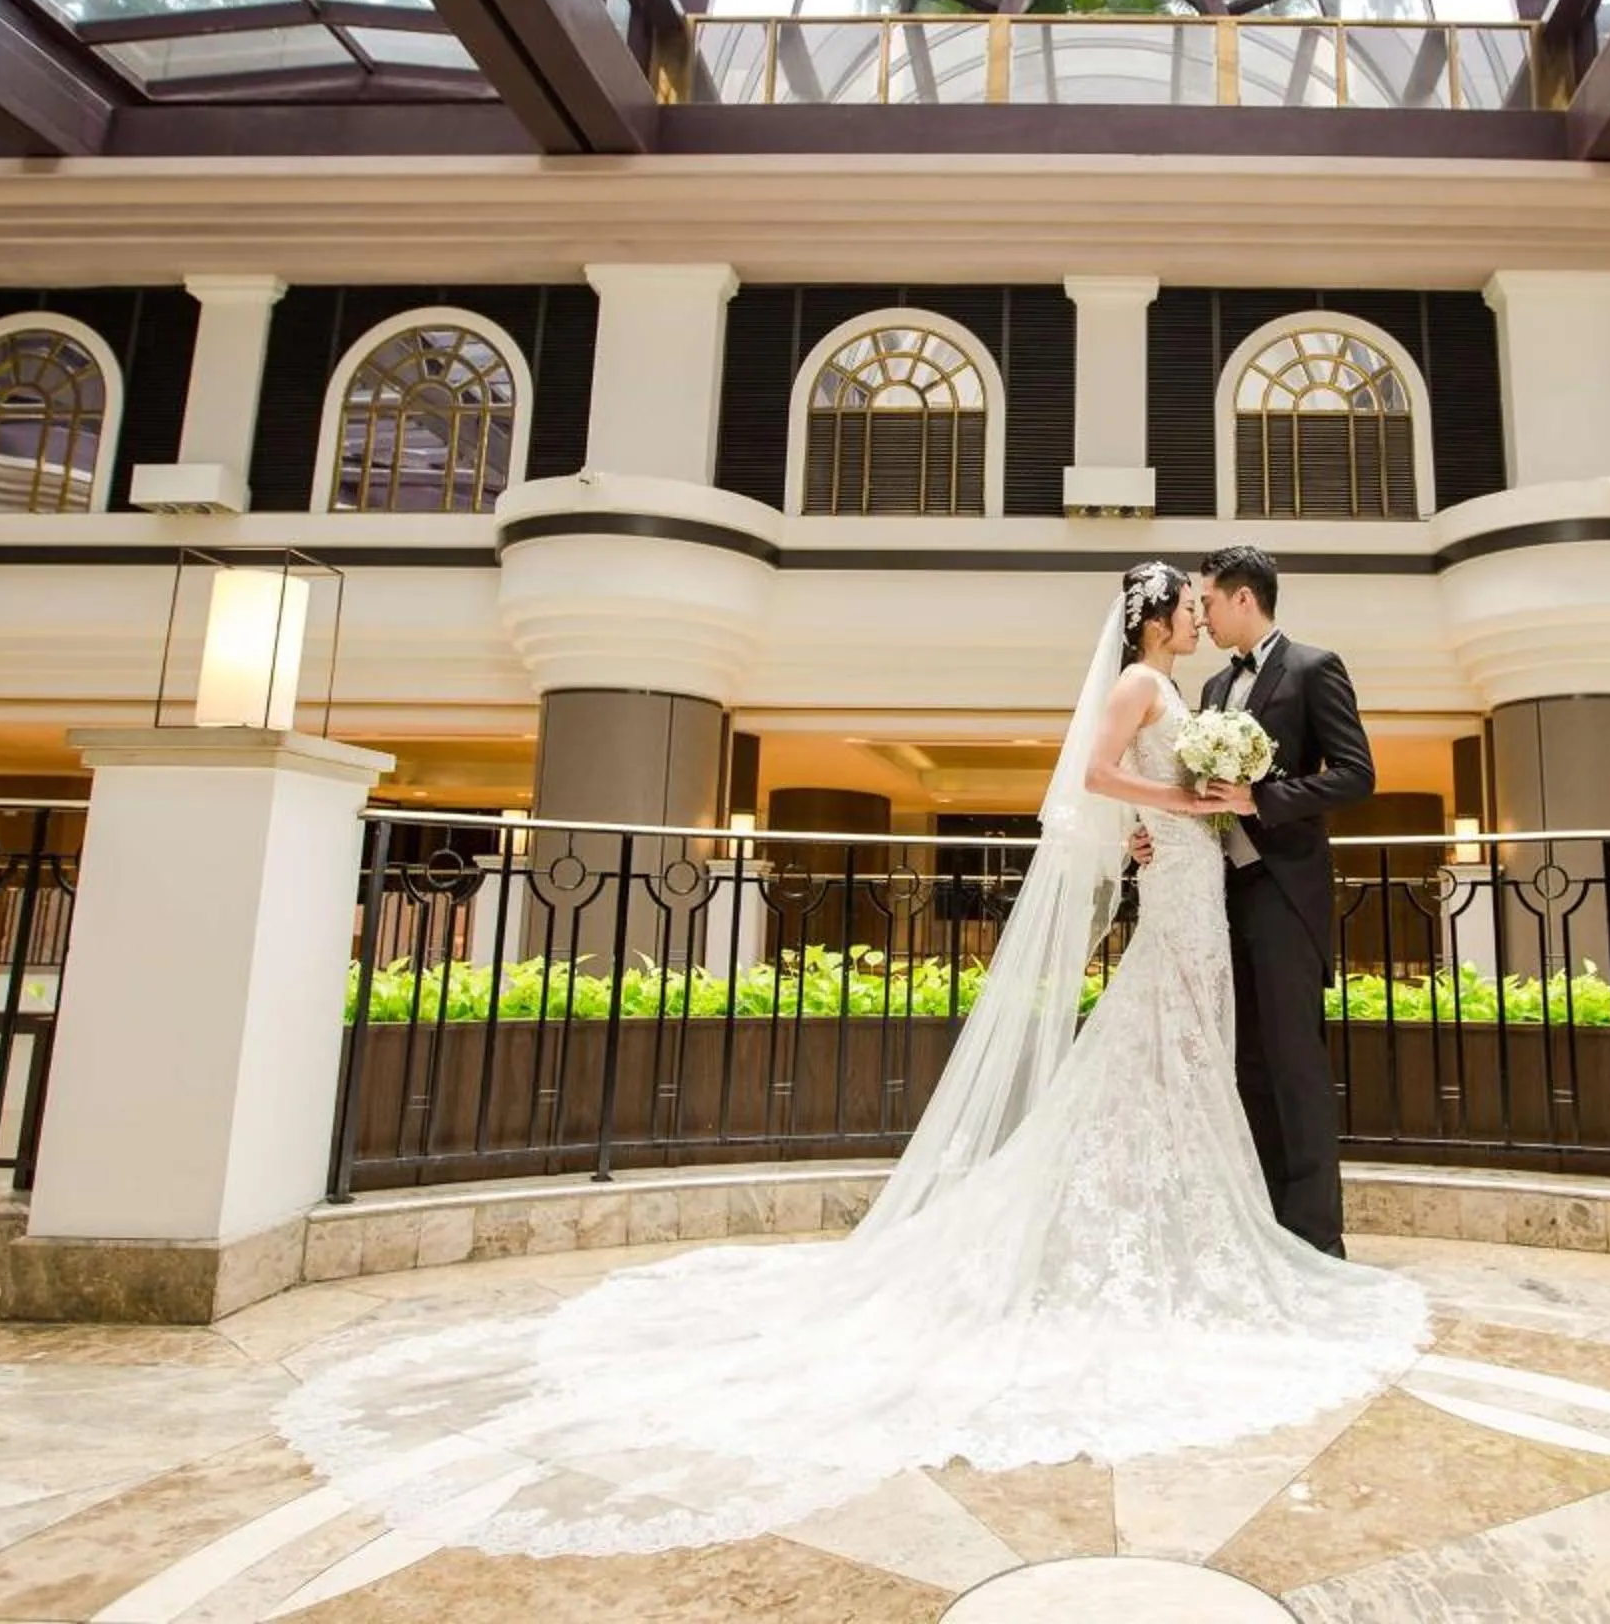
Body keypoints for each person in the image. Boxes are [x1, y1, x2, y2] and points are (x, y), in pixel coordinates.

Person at [271, 561, 1428, 1559]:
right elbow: (1089, 775)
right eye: (1180, 605)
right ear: (1155, 618)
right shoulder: (1143, 683)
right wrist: (1168, 797)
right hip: (1179, 884)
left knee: (1182, 1053)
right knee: (1152, 1050)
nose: (1191, 616)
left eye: (1196, 603)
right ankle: (1169, 1228)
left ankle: (1205, 1219)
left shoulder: (1198, 687)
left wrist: (1186, 807)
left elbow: (1232, 789)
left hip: (1197, 889)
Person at [1136, 544, 1374, 1257]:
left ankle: (1317, 1242)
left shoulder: (1313, 668)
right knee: (1245, 1066)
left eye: (1207, 601)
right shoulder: (1209, 691)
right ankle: (1263, 1228)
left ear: (1244, 599)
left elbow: (1356, 775)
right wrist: (1147, 838)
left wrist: (1261, 799)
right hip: (1218, 892)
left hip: (1283, 889)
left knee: (1295, 1062)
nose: (1200, 616)